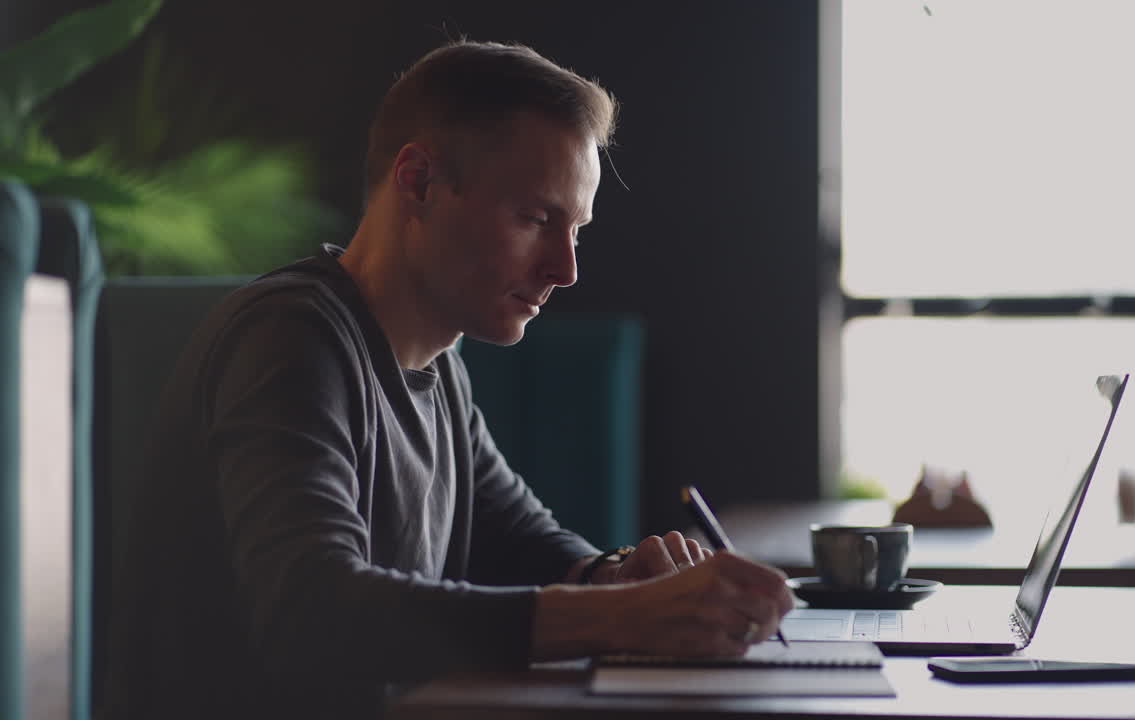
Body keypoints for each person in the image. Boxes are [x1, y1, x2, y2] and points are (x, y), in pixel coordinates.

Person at [104, 40, 793, 720]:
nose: (565, 270)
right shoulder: (289, 338)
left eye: (575, 229)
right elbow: (311, 611)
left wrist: (612, 575)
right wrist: (619, 617)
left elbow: (522, 541)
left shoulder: (438, 367)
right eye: (534, 218)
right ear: (420, 183)